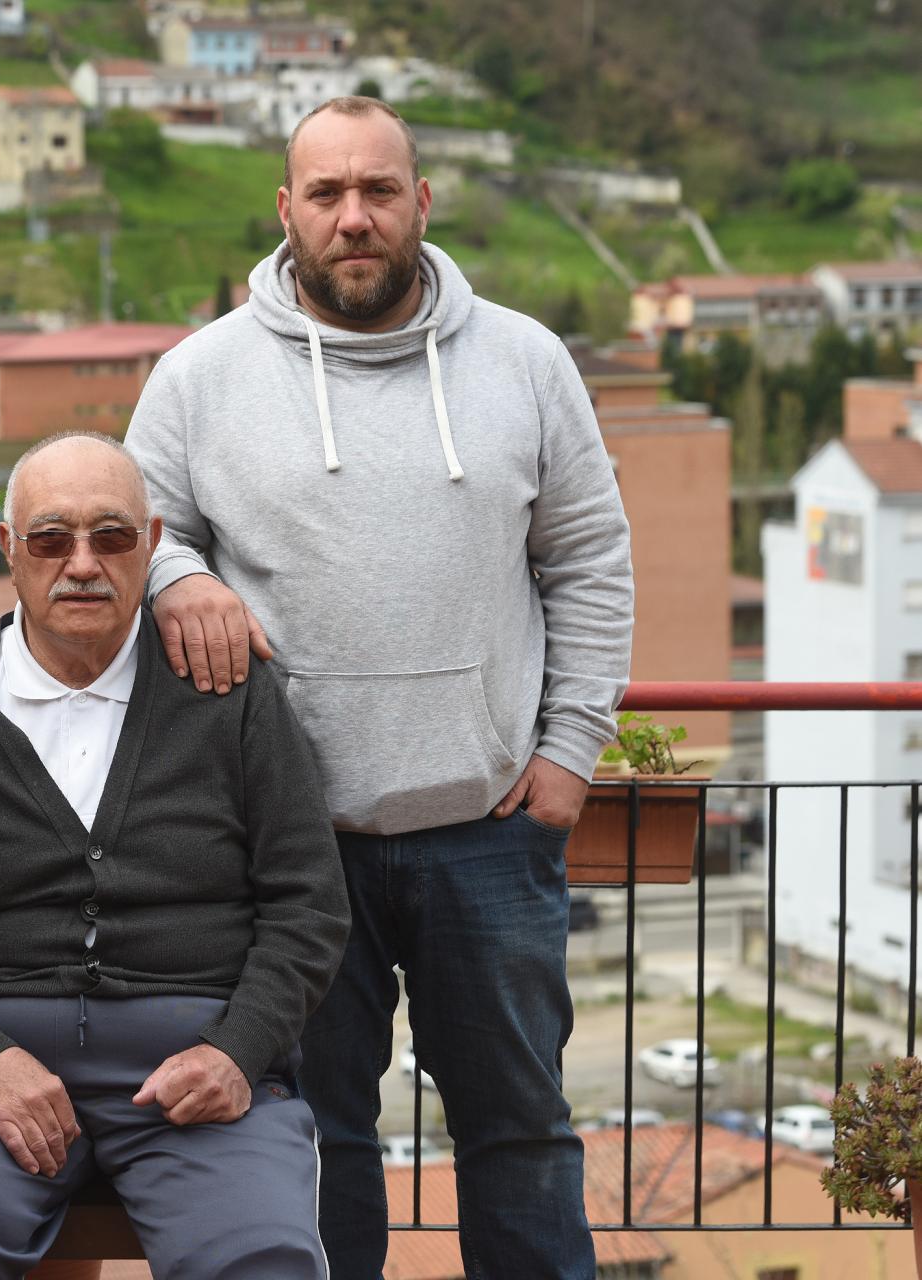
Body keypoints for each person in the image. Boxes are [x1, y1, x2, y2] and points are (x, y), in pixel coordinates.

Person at [123, 97, 634, 1278]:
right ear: (285, 209)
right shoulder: (197, 376)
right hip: (290, 846)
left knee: (518, 1135)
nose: (353, 218)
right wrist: (178, 577)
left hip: (490, 834)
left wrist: (567, 754)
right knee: (312, 1141)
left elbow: (589, 560)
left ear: (420, 200)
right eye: (325, 193)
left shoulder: (525, 361)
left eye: (378, 191)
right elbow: (129, 528)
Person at [0, 433, 351, 1279]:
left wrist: (238, 1050)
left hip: (196, 1069)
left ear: (152, 547)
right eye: (50, 539)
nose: (81, 564)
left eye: (111, 537)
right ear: (11, 552)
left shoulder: (227, 696)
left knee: (264, 1256)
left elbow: (309, 903)